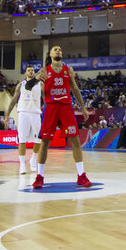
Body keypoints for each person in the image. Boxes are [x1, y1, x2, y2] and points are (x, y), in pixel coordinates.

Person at [30, 46, 91, 189]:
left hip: (65, 106)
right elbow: (28, 86)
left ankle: (81, 176)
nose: (58, 50)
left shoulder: (68, 70)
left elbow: (75, 89)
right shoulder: (44, 71)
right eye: (55, 49)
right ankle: (39, 176)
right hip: (50, 107)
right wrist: (36, 78)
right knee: (45, 142)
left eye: (60, 49)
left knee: (75, 140)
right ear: (50, 54)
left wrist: (82, 107)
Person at [5, 65, 42, 174]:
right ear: (25, 73)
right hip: (23, 113)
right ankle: (22, 165)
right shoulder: (21, 85)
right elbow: (13, 101)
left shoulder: (41, 84)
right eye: (28, 70)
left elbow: (46, 98)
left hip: (35, 113)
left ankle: (33, 160)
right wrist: (7, 115)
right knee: (22, 140)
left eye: (32, 70)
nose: (31, 72)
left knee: (38, 140)